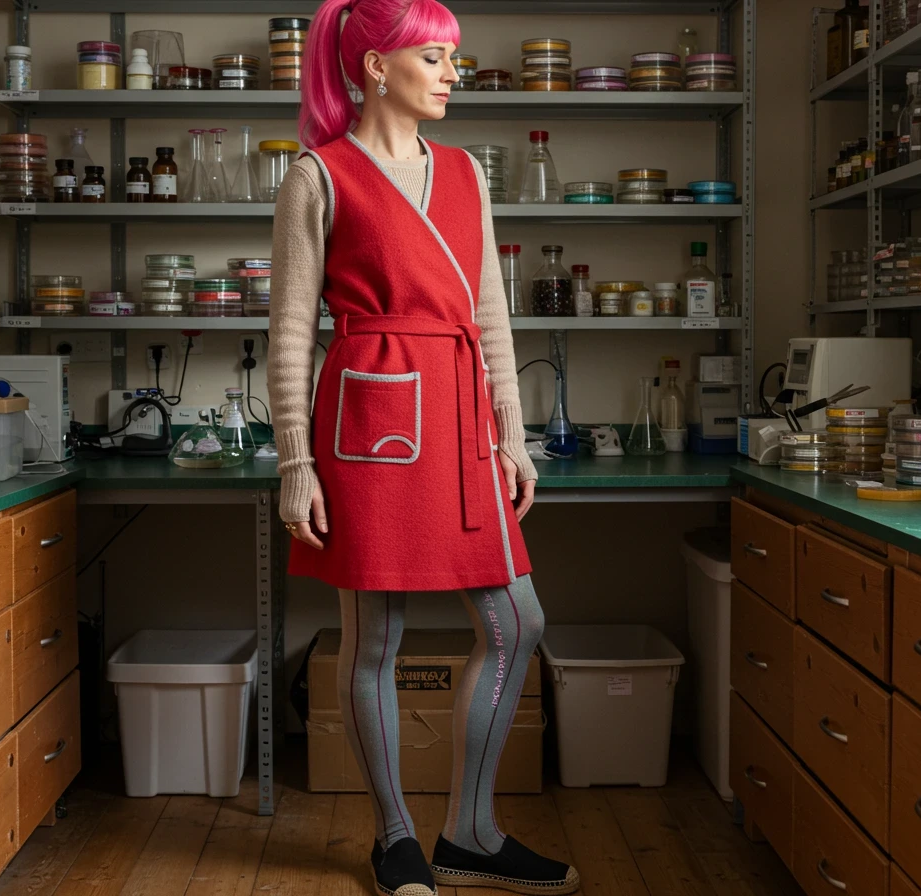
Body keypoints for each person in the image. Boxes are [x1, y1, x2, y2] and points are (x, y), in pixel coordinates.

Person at [269, 1, 581, 894]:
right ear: (373, 66)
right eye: (434, 55)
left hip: (462, 418)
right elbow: (291, 330)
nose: (452, 71)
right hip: (365, 422)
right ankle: (395, 837)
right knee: (376, 639)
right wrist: (296, 460)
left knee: (517, 619)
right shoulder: (317, 177)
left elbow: (490, 316)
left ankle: (472, 831)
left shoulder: (466, 172)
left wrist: (512, 437)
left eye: (454, 57)